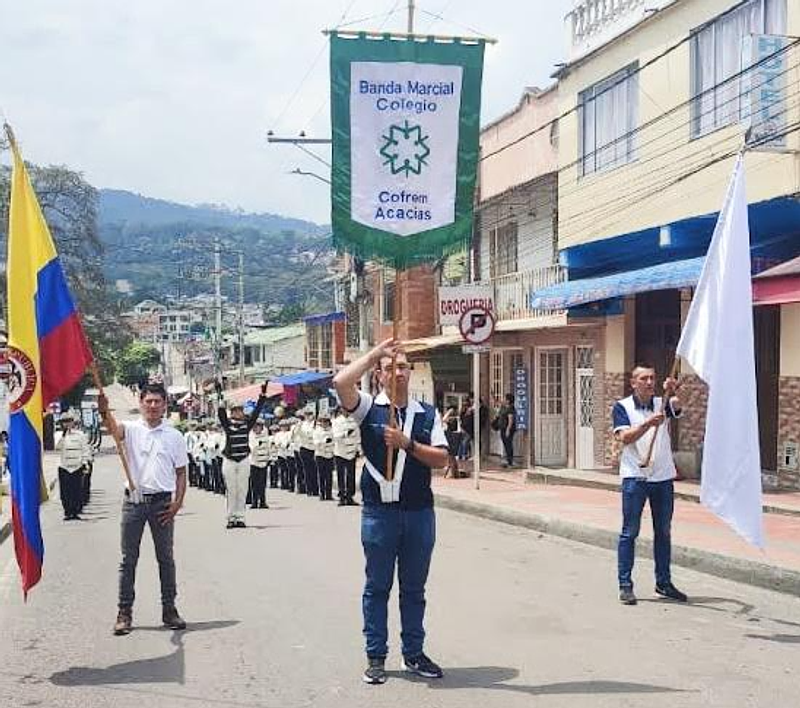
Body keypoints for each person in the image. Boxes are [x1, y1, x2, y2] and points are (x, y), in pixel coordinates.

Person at [334, 338, 449, 686]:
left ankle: (413, 652)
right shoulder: (368, 409)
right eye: (390, 368)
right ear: (379, 376)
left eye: (402, 367)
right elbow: (340, 383)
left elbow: (442, 459)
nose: (397, 373)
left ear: (410, 373)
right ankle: (376, 656)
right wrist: (372, 355)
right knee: (377, 586)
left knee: (414, 589)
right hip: (379, 515)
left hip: (418, 513)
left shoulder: (426, 414)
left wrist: (408, 444)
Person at [98, 382, 189, 636]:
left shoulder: (174, 436)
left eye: (157, 402)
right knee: (128, 560)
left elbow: (181, 473)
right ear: (141, 403)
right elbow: (114, 431)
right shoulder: (132, 429)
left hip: (162, 503)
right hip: (134, 503)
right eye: (148, 401)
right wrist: (104, 412)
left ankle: (169, 609)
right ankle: (124, 612)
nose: (152, 406)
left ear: (164, 405)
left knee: (165, 559)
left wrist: (177, 502)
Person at [612, 364, 687, 606]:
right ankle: (625, 584)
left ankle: (663, 582)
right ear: (633, 382)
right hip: (635, 476)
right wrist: (647, 425)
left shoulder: (661, 402)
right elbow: (624, 438)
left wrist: (677, 390)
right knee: (629, 532)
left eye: (652, 378)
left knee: (663, 532)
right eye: (644, 378)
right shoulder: (622, 407)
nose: (649, 382)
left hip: (662, 477)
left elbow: (678, 405)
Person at [216, 381, 267, 529]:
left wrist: (262, 396)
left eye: (239, 410)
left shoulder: (247, 424)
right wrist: (220, 395)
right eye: (235, 410)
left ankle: (241, 517)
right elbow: (220, 413)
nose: (238, 413)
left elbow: (257, 411)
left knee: (242, 489)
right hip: (230, 459)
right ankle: (231, 517)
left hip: (243, 459)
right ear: (231, 412)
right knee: (231, 489)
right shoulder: (228, 425)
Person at [55, 411, 90, 521]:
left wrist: (85, 463)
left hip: (77, 466)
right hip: (64, 466)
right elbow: (57, 447)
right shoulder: (58, 435)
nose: (67, 424)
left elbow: (85, 449)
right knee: (65, 492)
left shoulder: (80, 435)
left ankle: (75, 511)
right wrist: (63, 435)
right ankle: (68, 511)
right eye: (64, 422)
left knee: (76, 490)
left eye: (69, 421)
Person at [333, 406, 360, 506]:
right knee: (341, 475)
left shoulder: (354, 420)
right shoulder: (336, 421)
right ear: (340, 410)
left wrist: (358, 449)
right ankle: (341, 497)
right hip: (340, 451)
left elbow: (358, 435)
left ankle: (350, 496)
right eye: (344, 409)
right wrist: (345, 433)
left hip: (351, 451)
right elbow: (335, 435)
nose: (346, 411)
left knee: (351, 475)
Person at [249, 419, 270, 509]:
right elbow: (250, 448)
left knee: (262, 483)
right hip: (253, 462)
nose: (257, 428)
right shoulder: (251, 437)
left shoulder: (265, 437)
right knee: (254, 483)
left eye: (259, 426)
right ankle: (254, 502)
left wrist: (269, 459)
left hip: (263, 462)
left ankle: (262, 501)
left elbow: (269, 449)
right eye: (255, 426)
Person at [314, 414, 335, 501]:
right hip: (320, 454)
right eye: (322, 421)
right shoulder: (317, 431)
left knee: (329, 475)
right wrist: (324, 441)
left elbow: (335, 441)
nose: (324, 423)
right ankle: (322, 494)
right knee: (321, 475)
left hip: (329, 454)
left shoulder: (332, 431)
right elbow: (316, 442)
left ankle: (329, 494)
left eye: (326, 421)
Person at [298, 410, 317, 496]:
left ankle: (316, 489)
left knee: (315, 470)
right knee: (307, 470)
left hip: (314, 448)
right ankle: (309, 489)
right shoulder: (301, 424)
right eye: (307, 414)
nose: (308, 416)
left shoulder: (316, 424)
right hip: (305, 448)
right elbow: (298, 435)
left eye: (310, 414)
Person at [442, 405, 461, 478]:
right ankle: (454, 472)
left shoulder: (453, 419)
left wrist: (448, 413)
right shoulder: (457, 418)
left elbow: (444, 419)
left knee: (451, 455)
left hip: (452, 437)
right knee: (452, 456)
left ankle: (453, 472)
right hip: (455, 436)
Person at [498, 393, 516, 468]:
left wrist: (508, 430)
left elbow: (510, 420)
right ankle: (507, 460)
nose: (503, 400)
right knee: (506, 444)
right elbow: (498, 403)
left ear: (508, 400)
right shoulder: (505, 407)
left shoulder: (510, 408)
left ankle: (510, 462)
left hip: (507, 429)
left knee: (508, 445)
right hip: (503, 428)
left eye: (505, 398)